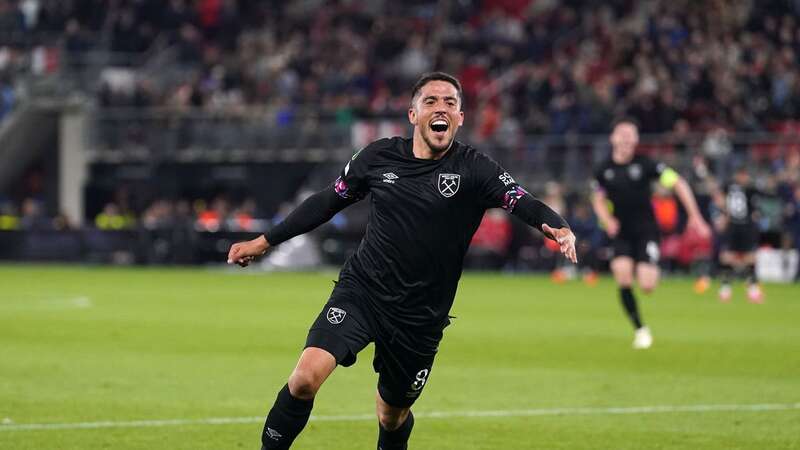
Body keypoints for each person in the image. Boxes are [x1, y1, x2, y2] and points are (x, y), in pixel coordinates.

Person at [226, 72, 576, 450]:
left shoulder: (476, 169)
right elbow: (328, 201)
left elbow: (520, 200)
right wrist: (265, 240)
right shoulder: (378, 157)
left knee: (391, 416)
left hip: (420, 316)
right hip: (363, 293)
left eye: (450, 103)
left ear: (460, 118)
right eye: (431, 101)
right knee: (304, 379)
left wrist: (557, 227)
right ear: (413, 115)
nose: (441, 108)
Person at [591, 119, 710, 349]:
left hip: (646, 231)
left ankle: (647, 265)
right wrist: (607, 219)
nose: (626, 138)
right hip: (621, 232)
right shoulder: (602, 170)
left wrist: (695, 216)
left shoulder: (646, 165)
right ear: (613, 138)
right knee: (622, 275)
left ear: (636, 140)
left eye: (630, 135)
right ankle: (640, 330)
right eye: (622, 134)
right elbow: (597, 198)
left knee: (647, 285)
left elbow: (678, 183)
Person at [713, 167, 763, 302]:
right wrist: (724, 214)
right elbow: (755, 212)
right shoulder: (747, 189)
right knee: (730, 256)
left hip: (739, 225)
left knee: (745, 257)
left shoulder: (731, 187)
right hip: (737, 225)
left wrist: (722, 213)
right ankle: (729, 288)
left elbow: (718, 197)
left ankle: (749, 288)